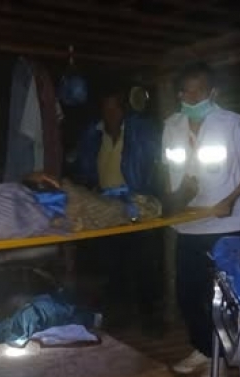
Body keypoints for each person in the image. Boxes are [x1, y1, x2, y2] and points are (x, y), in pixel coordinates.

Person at [163, 62, 240, 377]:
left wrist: (231, 199)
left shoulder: (232, 124)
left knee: (221, 297)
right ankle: (203, 349)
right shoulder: (172, 125)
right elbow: (170, 173)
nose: (191, 98)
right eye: (185, 92)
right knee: (187, 293)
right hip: (188, 223)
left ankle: (222, 358)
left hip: (226, 226)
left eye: (198, 91)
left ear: (213, 93)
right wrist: (172, 202)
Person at [74, 86, 163, 335]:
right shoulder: (93, 135)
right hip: (107, 209)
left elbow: (153, 161)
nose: (110, 113)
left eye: (114, 108)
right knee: (113, 266)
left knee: (144, 265)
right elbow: (85, 167)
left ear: (124, 109)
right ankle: (120, 317)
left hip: (137, 206)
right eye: (106, 108)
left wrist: (151, 193)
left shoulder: (138, 131)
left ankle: (151, 319)